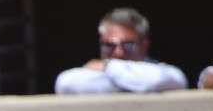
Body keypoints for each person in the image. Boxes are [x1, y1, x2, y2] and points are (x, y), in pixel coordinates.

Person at [55, 8, 188, 95]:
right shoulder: (91, 75)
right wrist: (131, 81)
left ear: (144, 46)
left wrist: (107, 66)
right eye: (109, 46)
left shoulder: (167, 73)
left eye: (128, 46)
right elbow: (66, 83)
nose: (118, 53)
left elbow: (155, 81)